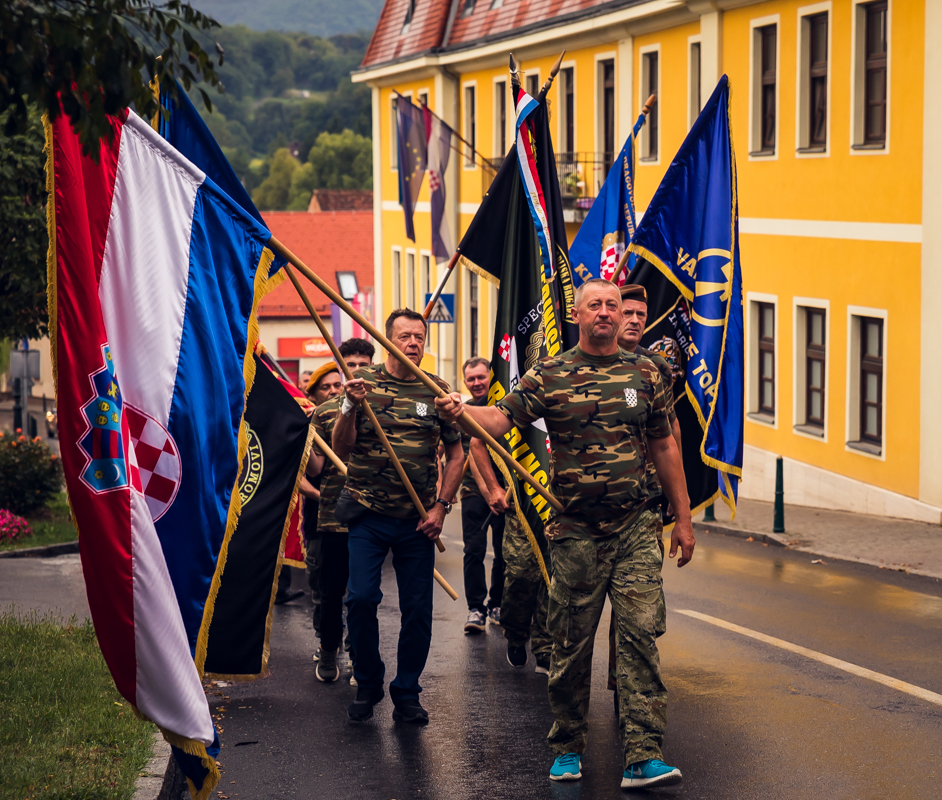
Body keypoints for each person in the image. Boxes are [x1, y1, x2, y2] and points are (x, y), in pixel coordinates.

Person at [435, 279, 695, 790]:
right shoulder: (550, 375)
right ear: (577, 315)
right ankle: (568, 746)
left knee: (640, 635)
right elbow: (497, 418)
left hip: (636, 525)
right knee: (571, 643)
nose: (605, 312)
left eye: (612, 306)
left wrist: (682, 519)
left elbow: (666, 447)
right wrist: (460, 412)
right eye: (595, 305)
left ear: (623, 316)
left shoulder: (646, 373)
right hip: (576, 532)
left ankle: (643, 754)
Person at [333, 309, 464, 724]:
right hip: (367, 513)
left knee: (418, 610)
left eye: (419, 337)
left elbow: (457, 455)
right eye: (404, 336)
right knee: (360, 599)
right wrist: (350, 406)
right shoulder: (362, 385)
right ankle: (369, 680)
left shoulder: (437, 391)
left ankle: (407, 691)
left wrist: (441, 506)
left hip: (417, 520)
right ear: (387, 341)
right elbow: (343, 444)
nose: (413, 344)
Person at [605, 283, 686, 705]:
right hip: (588, 512)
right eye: (627, 312)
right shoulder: (584, 364)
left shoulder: (657, 369)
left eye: (640, 313)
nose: (634, 319)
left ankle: (626, 685)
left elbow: (671, 434)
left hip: (644, 508)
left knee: (637, 609)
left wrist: (680, 503)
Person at [307, 338, 376, 684]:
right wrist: (304, 439)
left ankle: (358, 654)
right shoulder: (326, 411)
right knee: (332, 593)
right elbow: (316, 469)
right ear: (341, 367)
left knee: (364, 595)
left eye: (364, 363)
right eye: (351, 364)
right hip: (335, 516)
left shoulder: (385, 405)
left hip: (375, 515)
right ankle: (330, 648)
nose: (358, 370)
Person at [458, 357, 506, 634]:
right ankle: (475, 608)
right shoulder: (463, 411)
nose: (477, 383)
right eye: (471, 379)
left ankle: (497, 603)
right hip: (475, 490)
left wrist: (499, 491)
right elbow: (471, 455)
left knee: (504, 552)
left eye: (481, 377)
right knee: (473, 550)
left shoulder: (505, 405)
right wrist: (489, 492)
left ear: (491, 377)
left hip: (507, 489)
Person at [487, 482, 551, 672]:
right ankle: (516, 635)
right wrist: (492, 488)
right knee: (520, 574)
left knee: (553, 577)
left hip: (558, 504)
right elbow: (477, 450)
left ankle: (545, 647)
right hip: (521, 506)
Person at [296, 363, 343, 621]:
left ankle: (351, 644)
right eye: (326, 387)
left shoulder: (358, 417)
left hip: (352, 517)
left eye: (337, 385)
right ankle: (325, 642)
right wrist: (321, 496)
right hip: (319, 519)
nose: (334, 391)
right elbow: (302, 476)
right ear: (313, 394)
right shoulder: (305, 424)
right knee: (320, 584)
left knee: (352, 589)